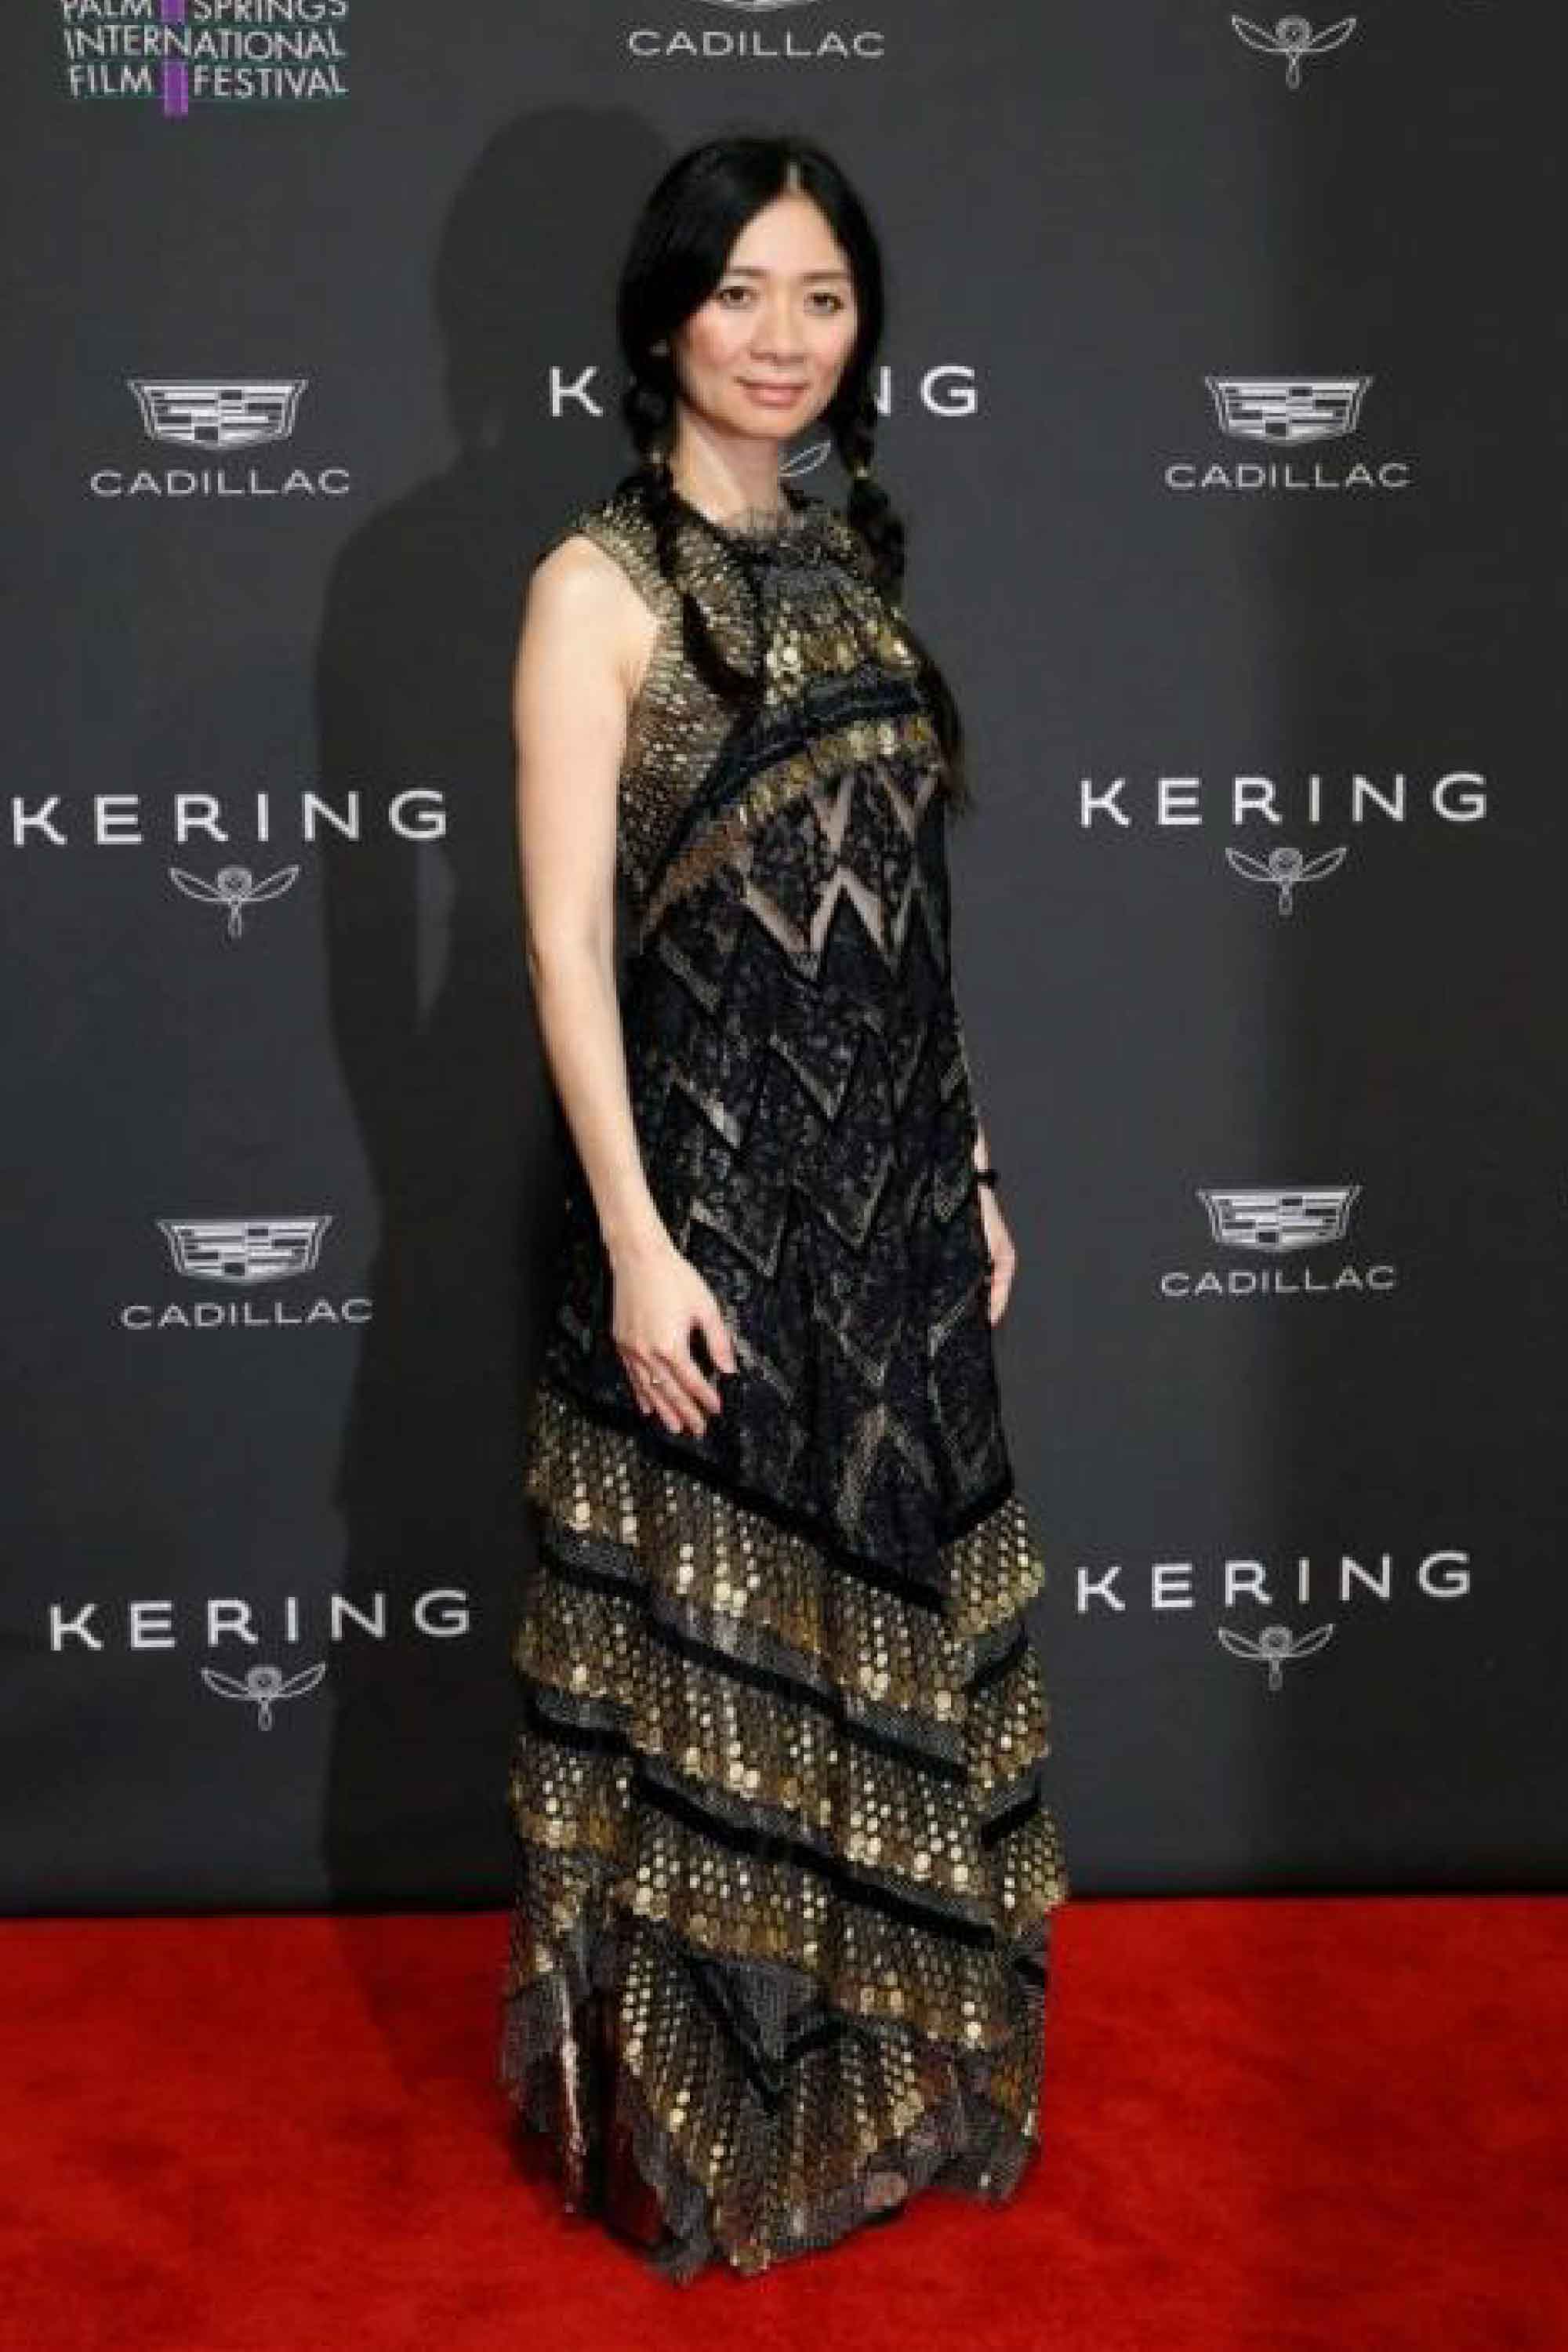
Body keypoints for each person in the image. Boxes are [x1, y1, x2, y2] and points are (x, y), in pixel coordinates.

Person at [498, 131, 1069, 2282]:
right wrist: (640, 1242)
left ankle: (878, 2090)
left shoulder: (851, 571)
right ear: (665, 319)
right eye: (741, 292)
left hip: (895, 1212)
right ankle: (719, 2131)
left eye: (822, 297)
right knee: (720, 1663)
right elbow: (565, 947)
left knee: (885, 1633)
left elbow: (911, 925)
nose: (782, 337)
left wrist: (973, 1161)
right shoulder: (597, 589)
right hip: (711, 1221)